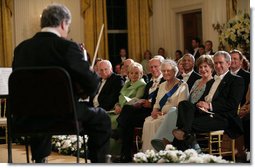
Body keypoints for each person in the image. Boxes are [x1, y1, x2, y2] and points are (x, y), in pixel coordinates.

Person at [12, 4, 111, 163]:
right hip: (64, 115)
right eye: (68, 27)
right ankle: (98, 164)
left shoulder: (22, 49)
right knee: (102, 118)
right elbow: (92, 84)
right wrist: (89, 72)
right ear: (64, 23)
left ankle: (39, 160)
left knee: (40, 106)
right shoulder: (67, 47)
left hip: (27, 116)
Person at [172, 51, 244, 152]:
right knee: (183, 104)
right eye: (216, 63)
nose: (218, 66)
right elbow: (205, 98)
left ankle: (176, 149)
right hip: (205, 113)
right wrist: (201, 104)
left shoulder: (236, 80)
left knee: (186, 125)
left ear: (228, 64)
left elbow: (232, 104)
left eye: (221, 63)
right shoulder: (213, 80)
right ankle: (190, 146)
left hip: (223, 117)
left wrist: (209, 105)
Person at [151, 55, 214, 151]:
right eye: (201, 67)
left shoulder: (213, 82)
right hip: (187, 111)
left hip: (199, 112)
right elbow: (189, 99)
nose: (203, 69)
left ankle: (163, 141)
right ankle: (184, 146)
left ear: (211, 68)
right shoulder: (197, 81)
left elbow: (208, 101)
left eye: (206, 66)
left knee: (173, 111)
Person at [112, 56, 165, 162]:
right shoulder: (150, 83)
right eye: (151, 67)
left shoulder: (164, 80)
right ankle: (125, 155)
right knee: (127, 119)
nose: (153, 69)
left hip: (154, 111)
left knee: (126, 119)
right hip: (143, 110)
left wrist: (149, 103)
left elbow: (165, 100)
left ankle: (122, 144)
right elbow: (144, 97)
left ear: (162, 67)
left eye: (156, 66)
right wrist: (141, 102)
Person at [141, 59, 189, 151]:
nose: (166, 73)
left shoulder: (183, 85)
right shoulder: (162, 85)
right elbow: (157, 103)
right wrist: (154, 111)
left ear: (175, 71)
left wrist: (164, 112)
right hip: (161, 114)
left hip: (173, 115)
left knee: (155, 123)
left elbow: (181, 106)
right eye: (163, 71)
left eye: (168, 70)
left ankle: (159, 152)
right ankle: (148, 153)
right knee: (147, 122)